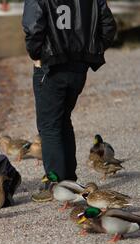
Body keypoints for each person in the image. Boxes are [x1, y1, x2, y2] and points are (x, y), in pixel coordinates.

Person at [22, 0, 116, 201]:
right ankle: (68, 179)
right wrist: (91, 51)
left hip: (51, 66)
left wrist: (36, 55)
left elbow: (33, 27)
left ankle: (57, 183)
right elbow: (108, 26)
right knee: (62, 120)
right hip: (78, 66)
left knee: (49, 126)